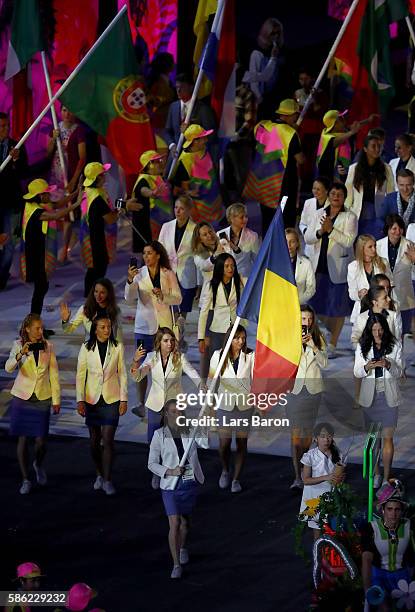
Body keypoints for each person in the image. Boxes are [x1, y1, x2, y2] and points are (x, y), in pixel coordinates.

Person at [148, 399, 209, 579]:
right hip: (170, 485)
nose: (177, 415)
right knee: (174, 523)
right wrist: (170, 471)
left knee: (185, 523)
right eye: (173, 412)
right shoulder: (159, 435)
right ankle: (176, 564)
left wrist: (204, 423)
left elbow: (205, 444)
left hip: (189, 484)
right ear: (166, 414)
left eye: (180, 411)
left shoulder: (190, 430)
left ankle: (182, 547)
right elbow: (151, 463)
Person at [131, 327, 200, 481]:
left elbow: (193, 373)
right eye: (166, 341)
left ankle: (181, 471)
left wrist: (201, 385)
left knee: (178, 440)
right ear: (159, 342)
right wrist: (136, 361)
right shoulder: (151, 358)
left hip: (175, 407)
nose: (169, 344)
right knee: (154, 440)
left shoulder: (179, 358)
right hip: (156, 405)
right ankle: (159, 472)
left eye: (171, 340)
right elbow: (137, 377)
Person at [5, 314, 60, 495]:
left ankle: (38, 463)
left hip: (42, 397)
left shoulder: (48, 346)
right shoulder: (18, 345)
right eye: (37, 328)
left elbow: (54, 375)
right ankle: (25, 479)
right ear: (27, 329)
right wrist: (21, 353)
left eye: (41, 328)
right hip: (22, 397)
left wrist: (57, 400)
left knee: (41, 440)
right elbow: (8, 367)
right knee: (22, 439)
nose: (40, 331)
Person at [125, 241, 181, 414]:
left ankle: (164, 402)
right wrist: (130, 280)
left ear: (157, 255)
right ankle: (141, 403)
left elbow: (178, 298)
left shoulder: (168, 273)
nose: (146, 256)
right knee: (141, 364)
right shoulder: (139, 274)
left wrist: (164, 296)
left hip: (163, 328)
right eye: (144, 253)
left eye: (149, 253)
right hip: (143, 327)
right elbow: (129, 298)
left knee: (164, 366)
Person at [76, 315, 128, 496]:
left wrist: (124, 399)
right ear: (95, 329)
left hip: (111, 399)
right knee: (93, 441)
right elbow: (80, 375)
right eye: (103, 327)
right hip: (91, 400)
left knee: (107, 439)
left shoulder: (117, 347)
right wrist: (80, 400)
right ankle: (99, 473)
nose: (107, 330)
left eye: (109, 327)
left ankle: (107, 479)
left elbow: (122, 374)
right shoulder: (86, 348)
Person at [305, 182, 357, 356]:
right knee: (315, 306)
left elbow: (349, 241)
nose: (335, 197)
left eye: (339, 195)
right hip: (318, 265)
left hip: (338, 267)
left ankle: (333, 343)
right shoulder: (319, 213)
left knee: (338, 308)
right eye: (333, 193)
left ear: (344, 198)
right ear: (329, 195)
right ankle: (327, 329)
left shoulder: (350, 217)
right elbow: (308, 237)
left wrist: (331, 230)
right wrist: (320, 232)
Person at [20, 179, 81, 315]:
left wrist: (76, 192)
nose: (50, 195)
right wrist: (77, 203)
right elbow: (57, 215)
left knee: (42, 287)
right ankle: (34, 320)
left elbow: (59, 204)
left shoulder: (35, 205)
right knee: (40, 288)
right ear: (40, 196)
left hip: (38, 251)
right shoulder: (37, 213)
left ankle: (35, 320)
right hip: (33, 255)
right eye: (47, 193)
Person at [243, 99, 304, 233]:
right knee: (285, 219)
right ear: (290, 115)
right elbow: (300, 160)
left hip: (264, 185)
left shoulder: (262, 126)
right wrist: (294, 133)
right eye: (295, 114)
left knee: (267, 219)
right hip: (284, 186)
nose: (297, 117)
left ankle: (267, 247)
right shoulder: (291, 133)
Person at [354, 314, 402, 485]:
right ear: (369, 330)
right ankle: (376, 473)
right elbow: (357, 372)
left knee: (388, 437)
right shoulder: (362, 346)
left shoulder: (395, 345)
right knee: (374, 440)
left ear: (385, 329)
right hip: (370, 397)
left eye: (380, 329)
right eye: (374, 330)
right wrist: (368, 366)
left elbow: (399, 372)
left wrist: (389, 365)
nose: (377, 333)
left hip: (388, 396)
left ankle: (387, 475)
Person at [208, 325, 255, 493]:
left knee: (241, 443)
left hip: (244, 406)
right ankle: (225, 470)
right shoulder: (218, 355)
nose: (241, 341)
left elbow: (256, 380)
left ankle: (236, 479)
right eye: (237, 338)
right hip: (224, 405)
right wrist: (210, 405)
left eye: (243, 338)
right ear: (229, 338)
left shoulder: (250, 355)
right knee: (224, 443)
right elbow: (211, 381)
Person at [288, 305, 327, 490]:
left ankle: (306, 474)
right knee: (295, 437)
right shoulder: (289, 338)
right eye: (303, 319)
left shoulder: (318, 338)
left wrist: (313, 346)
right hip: (295, 391)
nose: (307, 322)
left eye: (309, 319)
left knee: (306, 437)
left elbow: (325, 363)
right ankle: (297, 477)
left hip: (312, 391)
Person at [362, 481, 415, 612]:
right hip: (378, 577)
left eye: (397, 509)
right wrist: (367, 590)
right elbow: (366, 560)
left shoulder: (410, 526)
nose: (393, 514)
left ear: (402, 511)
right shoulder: (371, 528)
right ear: (383, 510)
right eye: (390, 509)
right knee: (384, 608)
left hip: (403, 576)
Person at [46, 105, 86, 263]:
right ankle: (52, 251)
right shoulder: (56, 128)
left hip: (69, 177)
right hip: (55, 177)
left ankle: (64, 251)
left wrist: (74, 180)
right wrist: (53, 140)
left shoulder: (79, 131)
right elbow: (48, 152)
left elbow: (82, 158)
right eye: (64, 110)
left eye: (70, 110)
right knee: (54, 212)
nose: (67, 114)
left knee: (68, 215)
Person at [158, 195, 197, 342]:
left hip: (187, 275)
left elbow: (198, 256)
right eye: (176, 208)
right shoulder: (166, 227)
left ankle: (179, 332)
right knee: (171, 308)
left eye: (181, 208)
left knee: (183, 311)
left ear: (188, 210)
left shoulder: (195, 229)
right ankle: (173, 336)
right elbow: (159, 249)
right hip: (168, 274)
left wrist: (199, 283)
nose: (178, 211)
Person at [198, 253, 244, 376]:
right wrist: (201, 337)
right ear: (220, 268)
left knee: (235, 364)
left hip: (234, 329)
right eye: (227, 266)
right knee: (217, 365)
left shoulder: (239, 281)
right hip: (217, 330)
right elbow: (204, 313)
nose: (230, 269)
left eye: (232, 266)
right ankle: (212, 393)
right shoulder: (211, 285)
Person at [79, 162, 119, 297]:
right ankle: (93, 297)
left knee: (92, 269)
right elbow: (111, 219)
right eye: (103, 174)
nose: (105, 176)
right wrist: (122, 209)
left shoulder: (87, 191)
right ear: (97, 178)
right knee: (99, 269)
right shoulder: (97, 198)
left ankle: (90, 295)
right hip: (95, 238)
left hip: (87, 236)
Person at [345, 134, 395, 239]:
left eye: (379, 146)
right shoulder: (354, 169)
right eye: (373, 146)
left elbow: (391, 194)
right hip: (357, 212)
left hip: (378, 214)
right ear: (365, 149)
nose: (377, 149)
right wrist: (346, 214)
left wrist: (390, 216)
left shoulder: (386, 169)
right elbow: (348, 195)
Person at [172, 124, 224, 224]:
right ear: (195, 141)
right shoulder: (185, 160)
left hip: (215, 206)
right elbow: (177, 190)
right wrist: (189, 193)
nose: (206, 140)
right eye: (203, 138)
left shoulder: (204, 149)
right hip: (198, 213)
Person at [300, 422, 344, 540]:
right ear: (315, 438)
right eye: (322, 436)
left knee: (334, 529)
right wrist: (326, 477)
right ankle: (319, 556)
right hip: (314, 499)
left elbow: (341, 476)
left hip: (333, 496)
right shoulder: (309, 456)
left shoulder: (338, 454)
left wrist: (341, 478)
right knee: (318, 533)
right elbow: (306, 480)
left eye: (329, 436)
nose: (326, 439)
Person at [0, 112, 27, 290]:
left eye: (7, 126)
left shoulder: (15, 147)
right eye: (2, 126)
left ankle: (1, 279)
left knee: (9, 245)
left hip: (8, 203)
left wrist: (16, 160)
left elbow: (24, 172)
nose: (6, 129)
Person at [376, 214, 415, 334]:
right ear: (387, 229)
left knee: (400, 332)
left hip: (404, 296)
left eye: (400, 228)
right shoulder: (378, 245)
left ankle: (398, 353)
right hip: (383, 296)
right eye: (394, 228)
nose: (397, 232)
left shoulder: (410, 246)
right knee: (383, 330)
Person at [164, 73, 216, 157]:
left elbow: (211, 135)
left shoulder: (203, 109)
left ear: (191, 87)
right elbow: (167, 131)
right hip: (175, 157)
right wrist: (172, 145)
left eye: (182, 87)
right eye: (177, 87)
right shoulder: (173, 107)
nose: (178, 90)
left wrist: (190, 131)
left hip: (196, 158)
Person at [131, 149, 172, 253]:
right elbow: (143, 190)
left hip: (163, 218)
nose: (160, 163)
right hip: (149, 223)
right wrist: (152, 194)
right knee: (151, 252)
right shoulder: (143, 179)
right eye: (157, 161)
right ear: (149, 165)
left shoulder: (158, 177)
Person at [243, 18, 283, 116]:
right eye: (273, 33)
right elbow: (256, 79)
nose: (276, 36)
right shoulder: (257, 53)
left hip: (275, 98)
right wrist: (260, 99)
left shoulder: (279, 52)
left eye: (278, 33)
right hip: (260, 100)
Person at [347, 234, 391, 325]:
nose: (374, 249)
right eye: (370, 247)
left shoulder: (383, 263)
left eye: (374, 246)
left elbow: (391, 282)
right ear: (361, 249)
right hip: (362, 312)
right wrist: (359, 294)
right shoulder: (353, 267)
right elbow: (352, 293)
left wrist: (385, 289)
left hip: (382, 310)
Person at [217, 203, 260, 279]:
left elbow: (256, 260)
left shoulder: (253, 236)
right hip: (226, 279)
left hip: (245, 279)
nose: (245, 219)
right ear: (231, 219)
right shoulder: (220, 234)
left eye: (246, 216)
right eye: (241, 217)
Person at [299, 176, 330, 258]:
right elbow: (302, 223)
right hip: (310, 247)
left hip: (326, 249)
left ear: (326, 191)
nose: (315, 191)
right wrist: (306, 232)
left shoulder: (332, 205)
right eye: (314, 188)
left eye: (318, 189)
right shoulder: (308, 203)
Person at [285, 228, 315, 304]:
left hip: (299, 306)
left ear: (297, 243)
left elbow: (311, 289)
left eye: (292, 242)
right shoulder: (275, 264)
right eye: (286, 242)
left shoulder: (306, 263)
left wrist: (297, 301)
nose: (289, 245)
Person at [147, 52, 176, 131]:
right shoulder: (158, 84)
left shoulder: (167, 81)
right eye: (172, 62)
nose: (175, 64)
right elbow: (156, 102)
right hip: (160, 123)